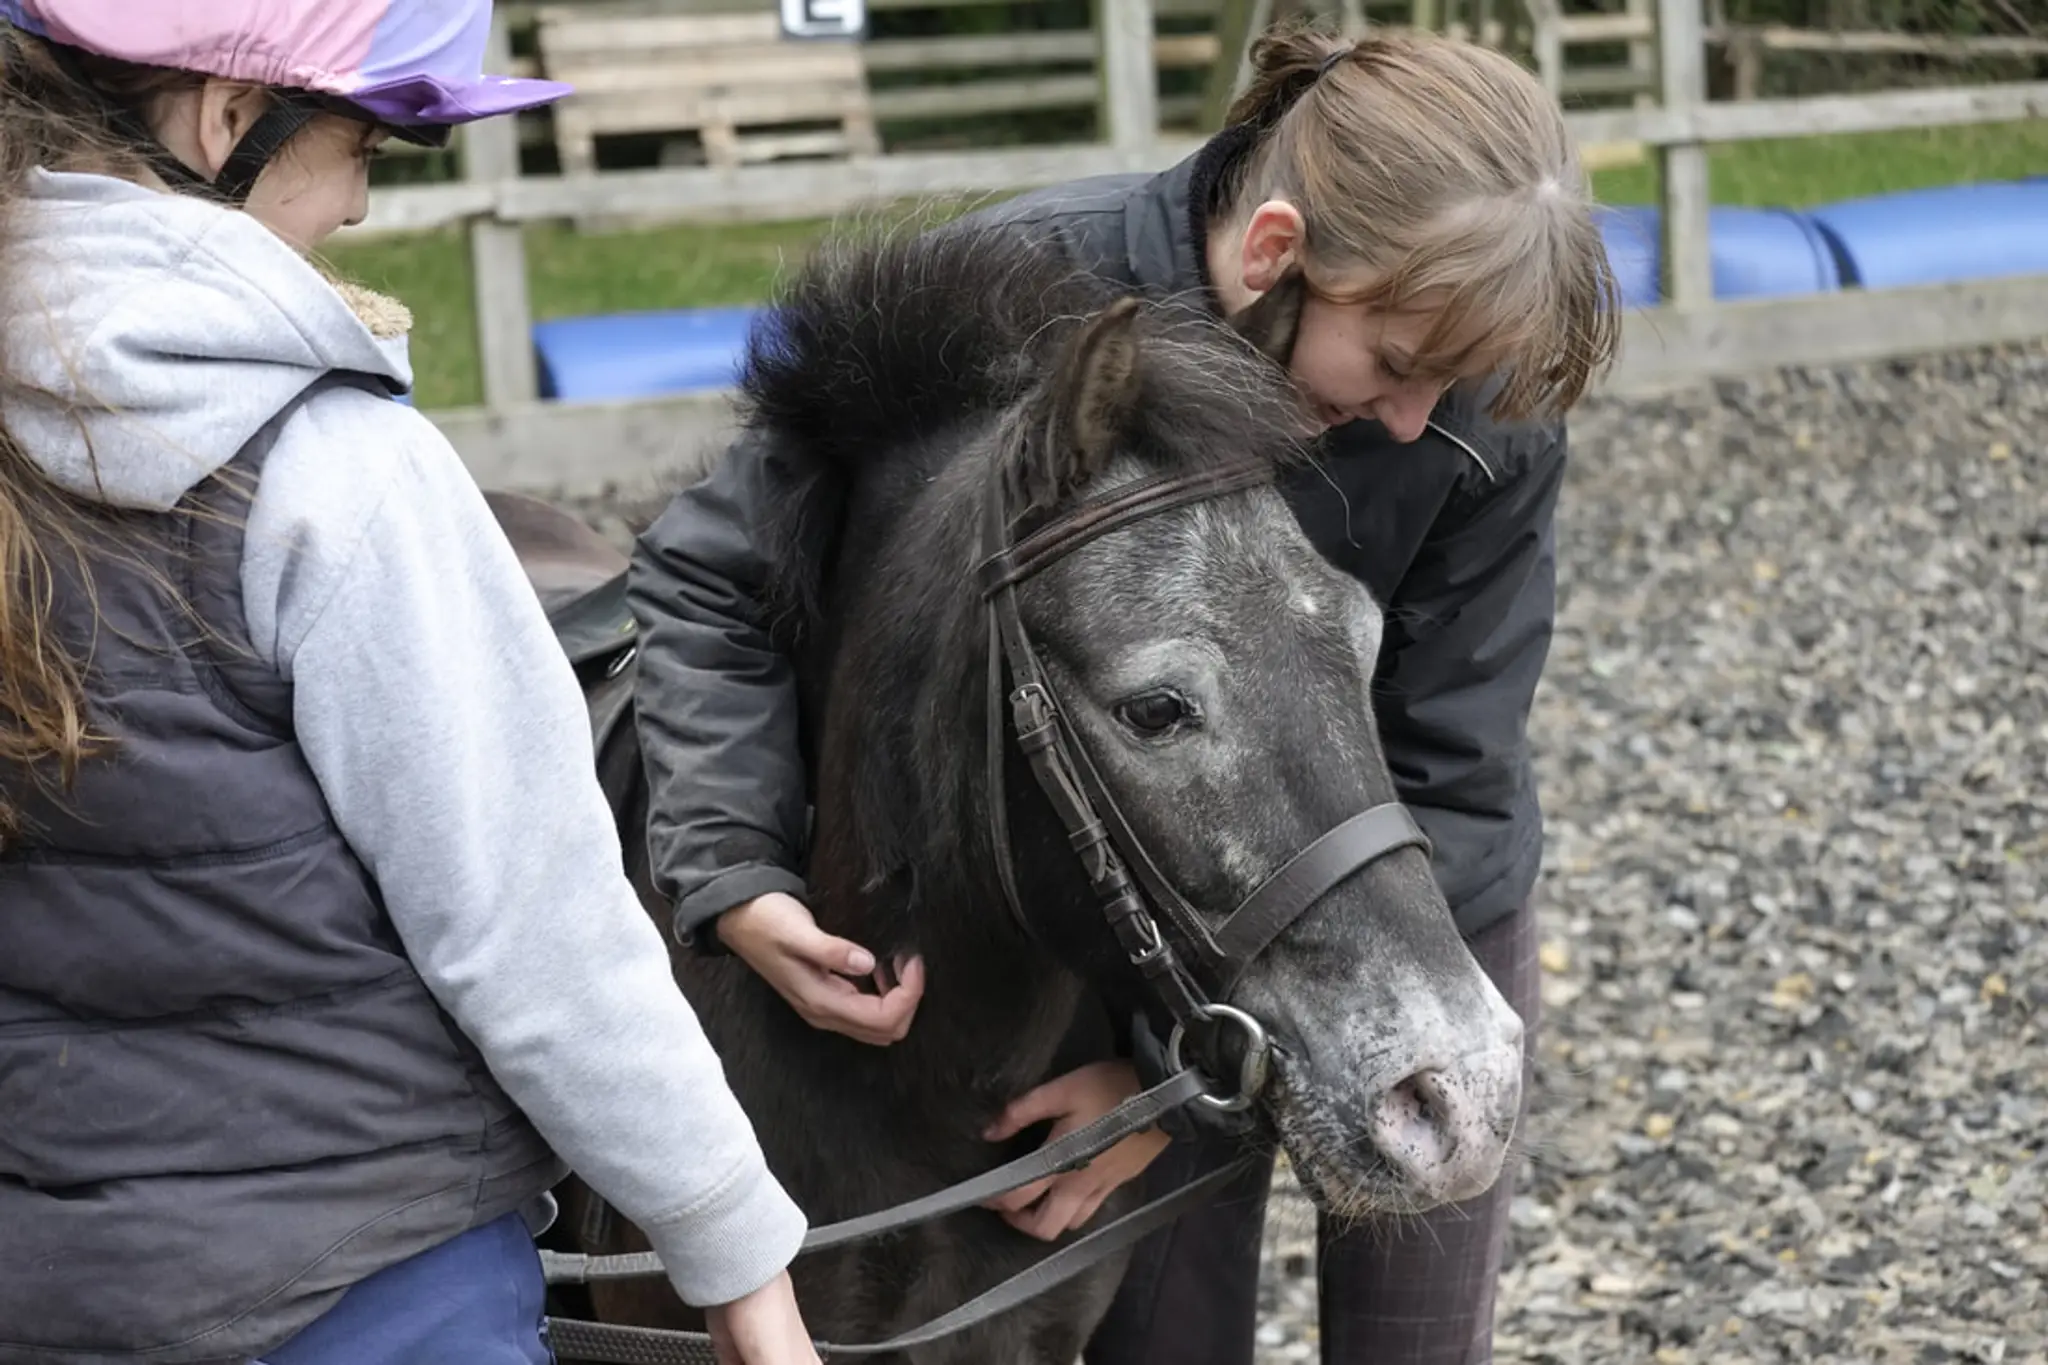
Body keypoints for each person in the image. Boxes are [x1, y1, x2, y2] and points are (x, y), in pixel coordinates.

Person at [625, 19, 1620, 1365]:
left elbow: (1451, 760)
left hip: (1404, 880)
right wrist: (731, 871)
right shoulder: (1017, 291)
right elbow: (707, 581)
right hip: (1122, 918)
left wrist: (1178, 1089)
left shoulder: (1469, 398)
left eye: (1454, 384)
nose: (1414, 419)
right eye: (1392, 367)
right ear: (1276, 255)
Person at [0, 3, 823, 1363]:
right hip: (360, 1291)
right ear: (222, 119)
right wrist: (739, 1255)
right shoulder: (331, 472)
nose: (362, 209)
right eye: (365, 151)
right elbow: (529, 930)